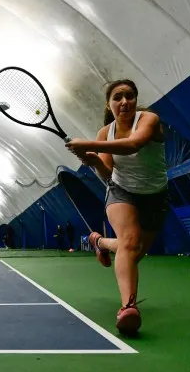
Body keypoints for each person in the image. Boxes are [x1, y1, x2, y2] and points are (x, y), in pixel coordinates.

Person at [65, 79, 169, 336]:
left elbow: (134, 144)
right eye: (118, 97)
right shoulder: (105, 133)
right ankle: (128, 308)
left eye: (130, 96)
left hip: (156, 196)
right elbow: (107, 173)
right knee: (130, 244)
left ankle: (99, 242)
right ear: (109, 104)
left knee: (133, 252)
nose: (125, 101)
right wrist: (92, 162)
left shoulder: (149, 120)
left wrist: (88, 146)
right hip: (121, 192)